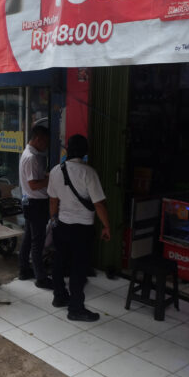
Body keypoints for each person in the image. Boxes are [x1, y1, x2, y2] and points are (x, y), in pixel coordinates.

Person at [47, 135, 110, 322]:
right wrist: (106, 226)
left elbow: (52, 200)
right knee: (78, 267)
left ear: (67, 149)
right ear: (84, 152)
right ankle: (75, 308)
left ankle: (59, 296)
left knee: (59, 261)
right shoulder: (89, 173)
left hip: (62, 225)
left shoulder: (56, 170)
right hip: (82, 229)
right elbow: (99, 205)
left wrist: (53, 219)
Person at [18, 122, 52, 289]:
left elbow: (34, 179)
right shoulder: (31, 158)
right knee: (37, 242)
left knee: (28, 238)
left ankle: (24, 270)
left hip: (29, 201)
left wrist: (44, 176)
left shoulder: (27, 154)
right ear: (38, 139)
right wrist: (50, 178)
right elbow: (34, 184)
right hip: (36, 202)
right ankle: (41, 278)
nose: (46, 145)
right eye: (45, 141)